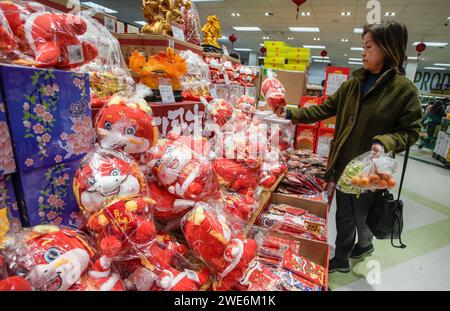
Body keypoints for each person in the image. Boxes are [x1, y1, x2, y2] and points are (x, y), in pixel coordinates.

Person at [287, 21, 422, 273]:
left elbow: (412, 132)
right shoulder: (354, 83)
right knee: (344, 213)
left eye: (369, 46)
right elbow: (325, 108)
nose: (363, 52)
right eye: (363, 46)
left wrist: (387, 141)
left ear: (387, 48)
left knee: (365, 214)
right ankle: (341, 258)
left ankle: (366, 244)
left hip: (373, 168)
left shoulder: (404, 91)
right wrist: (291, 114)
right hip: (344, 162)